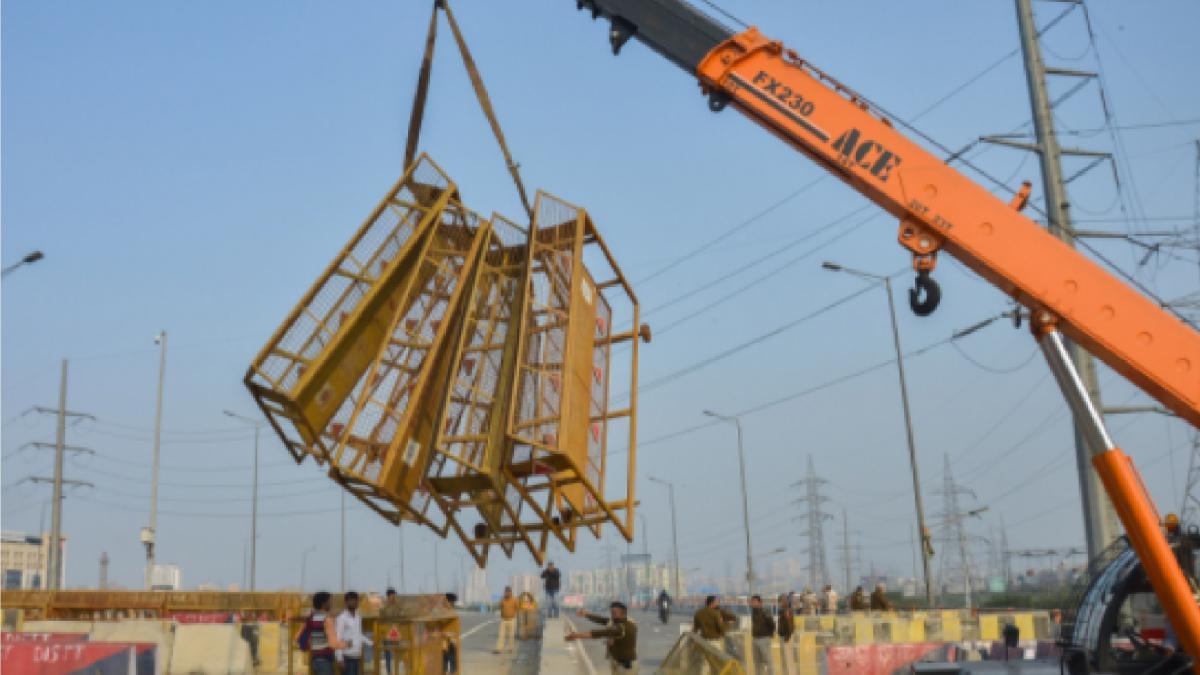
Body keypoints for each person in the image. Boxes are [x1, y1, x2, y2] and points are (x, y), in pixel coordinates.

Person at [567, 601, 639, 674]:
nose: (612, 615)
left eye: (614, 613)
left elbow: (598, 633)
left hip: (626, 667)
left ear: (623, 613)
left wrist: (576, 636)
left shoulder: (622, 627)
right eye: (611, 612)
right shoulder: (619, 621)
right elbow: (602, 620)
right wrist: (586, 614)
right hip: (617, 662)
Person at [298, 591, 349, 675]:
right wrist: (347, 644)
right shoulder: (327, 619)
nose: (330, 604)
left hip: (314, 660)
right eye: (329, 601)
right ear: (324, 603)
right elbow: (333, 643)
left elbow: (298, 636)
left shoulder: (311, 618)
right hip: (325, 661)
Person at [336, 591, 371, 675]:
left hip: (357, 656)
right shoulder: (342, 618)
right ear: (346, 602)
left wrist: (371, 642)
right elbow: (338, 638)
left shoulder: (358, 617)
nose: (354, 602)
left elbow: (358, 634)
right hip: (347, 657)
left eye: (356, 600)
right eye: (351, 600)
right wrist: (339, 658)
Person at [749, 595, 776, 675]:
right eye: (752, 601)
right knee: (757, 662)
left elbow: (772, 624)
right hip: (755, 638)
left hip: (764, 639)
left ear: (760, 602)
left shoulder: (765, 611)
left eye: (754, 601)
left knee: (768, 660)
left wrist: (769, 635)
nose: (752, 603)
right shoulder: (754, 612)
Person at [381, 588, 400, 675]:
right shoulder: (384, 607)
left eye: (394, 596)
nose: (394, 598)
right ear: (388, 597)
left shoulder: (398, 606)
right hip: (387, 634)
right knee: (388, 655)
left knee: (397, 653)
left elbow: (401, 617)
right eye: (392, 596)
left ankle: (397, 671)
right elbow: (382, 619)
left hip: (397, 633)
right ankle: (389, 672)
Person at [776, 593, 796, 675]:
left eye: (781, 601)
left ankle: (789, 673)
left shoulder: (786, 610)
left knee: (787, 657)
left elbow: (789, 624)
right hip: (783, 635)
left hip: (786, 636)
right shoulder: (784, 610)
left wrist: (788, 636)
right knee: (785, 657)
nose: (780, 603)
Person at [494, 586, 518, 654]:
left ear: (510, 592)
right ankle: (498, 649)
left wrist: (513, 614)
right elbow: (500, 606)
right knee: (501, 635)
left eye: (508, 592)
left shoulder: (514, 600)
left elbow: (517, 608)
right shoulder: (502, 600)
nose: (506, 593)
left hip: (511, 620)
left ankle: (511, 649)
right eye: (505, 592)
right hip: (503, 620)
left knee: (511, 635)